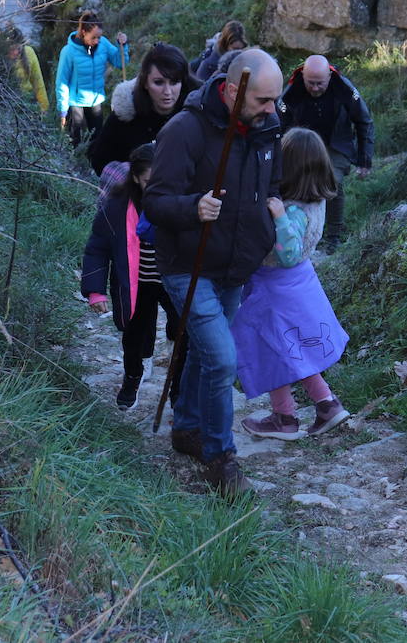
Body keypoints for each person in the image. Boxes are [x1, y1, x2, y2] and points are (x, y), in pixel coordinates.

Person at [143, 48, 283, 496]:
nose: (272, 109)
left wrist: (269, 216)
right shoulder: (184, 131)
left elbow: (269, 185)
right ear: (230, 90)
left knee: (206, 354)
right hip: (189, 263)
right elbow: (155, 202)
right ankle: (222, 461)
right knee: (223, 359)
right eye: (263, 100)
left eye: (275, 100)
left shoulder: (267, 129)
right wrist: (193, 206)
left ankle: (186, 429)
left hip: (234, 266)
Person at [232, 128, 351, 440]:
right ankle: (327, 404)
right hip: (299, 283)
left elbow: (288, 253)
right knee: (293, 347)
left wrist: (280, 217)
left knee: (271, 348)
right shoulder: (316, 200)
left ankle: (284, 416)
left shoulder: (293, 210)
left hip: (276, 288)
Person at [81, 144, 181, 411]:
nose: (158, 186)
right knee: (135, 334)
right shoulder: (116, 207)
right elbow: (97, 248)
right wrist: (95, 291)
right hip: (136, 283)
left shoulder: (182, 199)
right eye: (150, 181)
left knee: (184, 330)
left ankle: (180, 389)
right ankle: (132, 377)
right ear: (136, 178)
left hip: (174, 280)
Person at [278, 54, 374, 252]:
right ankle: (300, 230)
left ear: (329, 76)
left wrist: (365, 160)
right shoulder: (293, 91)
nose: (314, 88)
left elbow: (364, 121)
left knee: (331, 182)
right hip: (303, 144)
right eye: (310, 83)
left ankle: (333, 237)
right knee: (300, 183)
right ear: (303, 77)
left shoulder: (343, 88)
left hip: (336, 144)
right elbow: (278, 124)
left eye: (319, 83)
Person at [87, 43, 194, 176]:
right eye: (158, 82)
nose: (167, 91)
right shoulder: (126, 114)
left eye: (174, 82)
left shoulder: (195, 114)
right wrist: (129, 176)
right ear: (145, 83)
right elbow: (99, 160)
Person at [55, 11, 128, 145]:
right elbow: (62, 81)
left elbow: (119, 62)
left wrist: (121, 44)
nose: (97, 41)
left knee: (98, 139)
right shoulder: (68, 51)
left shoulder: (103, 44)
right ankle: (74, 165)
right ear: (83, 32)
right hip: (75, 101)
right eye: (94, 37)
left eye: (99, 37)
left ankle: (93, 165)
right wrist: (63, 108)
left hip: (95, 99)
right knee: (74, 141)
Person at [6, 30, 49, 114]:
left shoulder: (29, 52)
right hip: (6, 102)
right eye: (13, 49)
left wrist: (44, 108)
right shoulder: (0, 57)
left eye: (18, 48)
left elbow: (37, 81)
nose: (16, 52)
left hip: (27, 101)